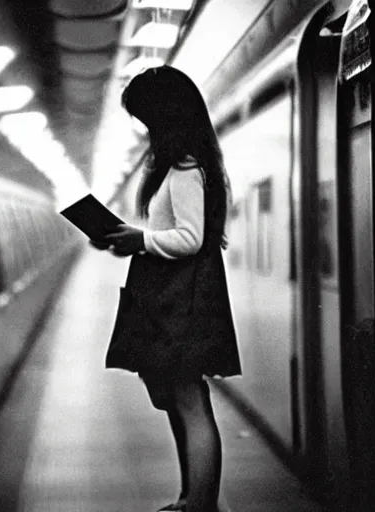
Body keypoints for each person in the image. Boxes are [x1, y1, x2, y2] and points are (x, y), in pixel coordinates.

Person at [95, 65, 241, 512]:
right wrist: (130, 237)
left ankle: (201, 503)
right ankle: (190, 497)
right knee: (180, 399)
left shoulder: (185, 165)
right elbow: (171, 230)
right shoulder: (182, 164)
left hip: (185, 296)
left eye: (145, 117)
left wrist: (142, 240)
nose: (144, 128)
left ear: (165, 114)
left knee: (189, 399)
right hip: (174, 291)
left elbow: (191, 237)